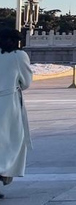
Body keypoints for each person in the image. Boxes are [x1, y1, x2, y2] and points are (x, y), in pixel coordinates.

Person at [0, 29, 33, 199]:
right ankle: (3, 172)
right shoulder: (18, 56)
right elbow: (26, 82)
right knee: (11, 141)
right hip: (8, 104)